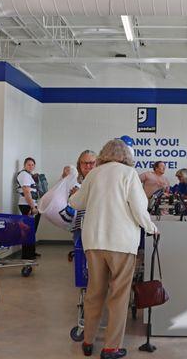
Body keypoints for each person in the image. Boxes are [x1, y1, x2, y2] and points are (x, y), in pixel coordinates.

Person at [69, 139, 157, 359]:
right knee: (118, 295)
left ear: (104, 154)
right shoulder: (129, 174)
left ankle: (88, 341)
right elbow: (138, 208)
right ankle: (111, 348)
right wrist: (151, 227)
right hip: (121, 243)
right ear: (126, 156)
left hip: (94, 241)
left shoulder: (94, 174)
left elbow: (77, 203)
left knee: (94, 292)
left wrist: (72, 194)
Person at [16, 157, 41, 260]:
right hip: (27, 206)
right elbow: (26, 192)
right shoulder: (23, 175)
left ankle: (31, 252)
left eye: (32, 165)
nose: (31, 166)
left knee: (31, 231)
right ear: (24, 165)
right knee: (28, 231)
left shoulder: (29, 175)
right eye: (28, 164)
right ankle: (27, 255)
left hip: (32, 205)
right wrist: (32, 207)